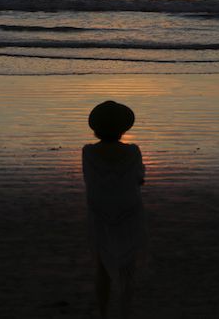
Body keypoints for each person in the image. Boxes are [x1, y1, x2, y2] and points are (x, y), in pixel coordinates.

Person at [83, 101, 146, 319]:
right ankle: (125, 312)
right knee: (127, 268)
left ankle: (103, 313)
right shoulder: (133, 151)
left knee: (102, 268)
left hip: (99, 211)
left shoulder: (88, 152)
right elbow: (139, 179)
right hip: (128, 210)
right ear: (122, 129)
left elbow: (90, 182)